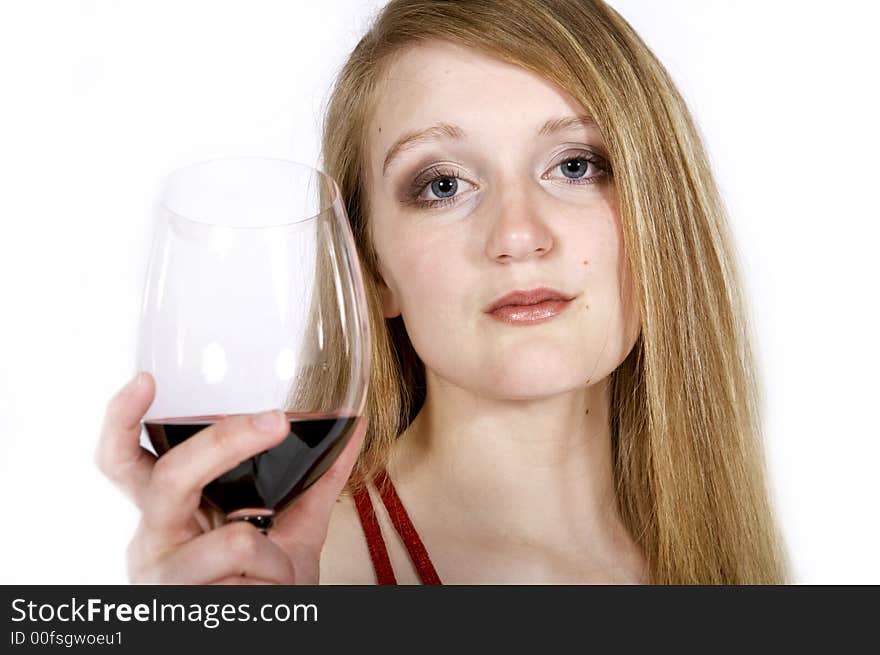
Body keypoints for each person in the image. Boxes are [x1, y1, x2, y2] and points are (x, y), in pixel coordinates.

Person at [96, 0, 789, 585]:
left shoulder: (736, 557)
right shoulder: (289, 575)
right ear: (370, 267)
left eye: (576, 165)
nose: (518, 235)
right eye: (443, 185)